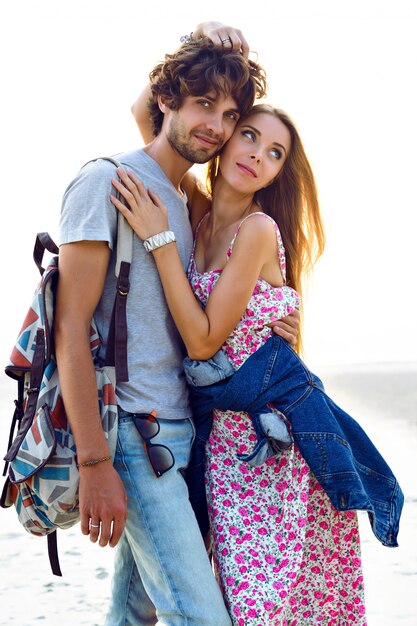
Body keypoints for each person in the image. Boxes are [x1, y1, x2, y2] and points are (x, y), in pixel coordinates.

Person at [54, 22, 291, 626]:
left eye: (228, 113)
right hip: (132, 433)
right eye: (203, 103)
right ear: (167, 101)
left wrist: (267, 322)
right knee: (202, 615)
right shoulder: (109, 182)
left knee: (135, 613)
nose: (215, 124)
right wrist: (93, 461)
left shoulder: (185, 198)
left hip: (185, 433)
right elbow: (70, 330)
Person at [111, 101, 378, 624]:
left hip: (268, 454)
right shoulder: (196, 209)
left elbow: (205, 340)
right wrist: (206, 32)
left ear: (279, 171)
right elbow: (149, 111)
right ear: (226, 136)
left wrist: (159, 240)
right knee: (205, 597)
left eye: (274, 153)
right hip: (217, 444)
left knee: (264, 608)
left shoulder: (256, 230)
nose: (257, 155)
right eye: (249, 135)